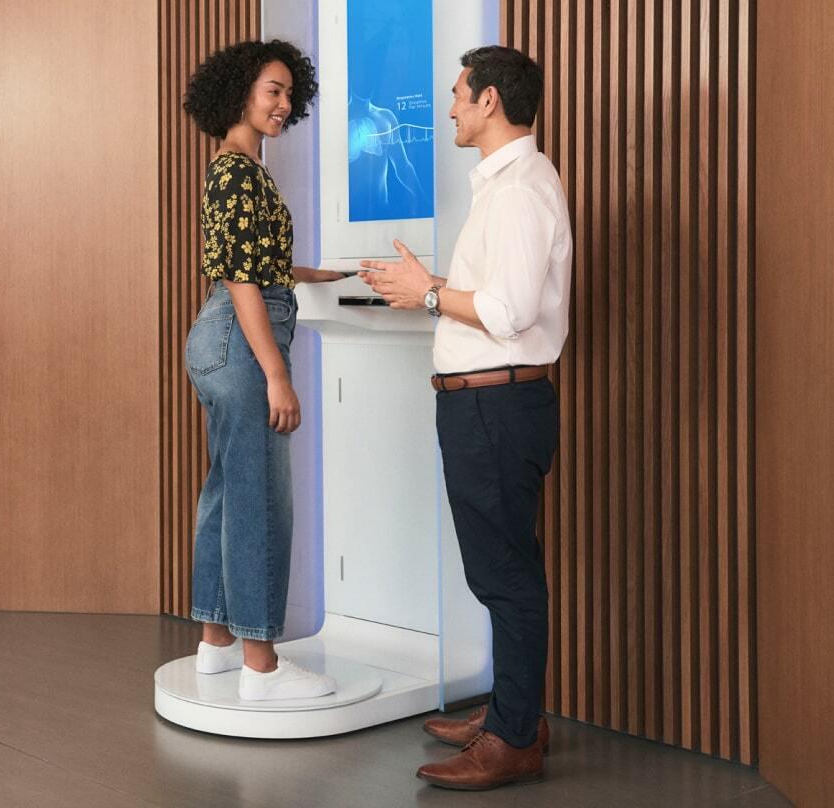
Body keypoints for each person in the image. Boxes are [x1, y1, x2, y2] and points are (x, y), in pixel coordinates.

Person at [359, 46, 572, 790]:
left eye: (457, 95)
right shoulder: (511, 186)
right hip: (491, 403)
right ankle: (516, 715)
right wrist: (428, 285)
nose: (448, 108)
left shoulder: (518, 191)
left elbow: (507, 314)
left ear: (489, 102)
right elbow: (497, 297)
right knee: (505, 573)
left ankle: (514, 738)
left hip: (493, 406)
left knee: (505, 578)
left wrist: (425, 293)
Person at [181, 39, 342, 701]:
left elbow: (247, 260)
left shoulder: (235, 167)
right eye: (272, 91)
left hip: (220, 336)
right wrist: (277, 374)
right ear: (241, 92)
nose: (283, 104)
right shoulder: (238, 171)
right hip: (241, 339)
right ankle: (262, 666)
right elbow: (241, 280)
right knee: (258, 498)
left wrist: (307, 273)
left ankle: (217, 643)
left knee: (228, 490)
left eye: (288, 95)